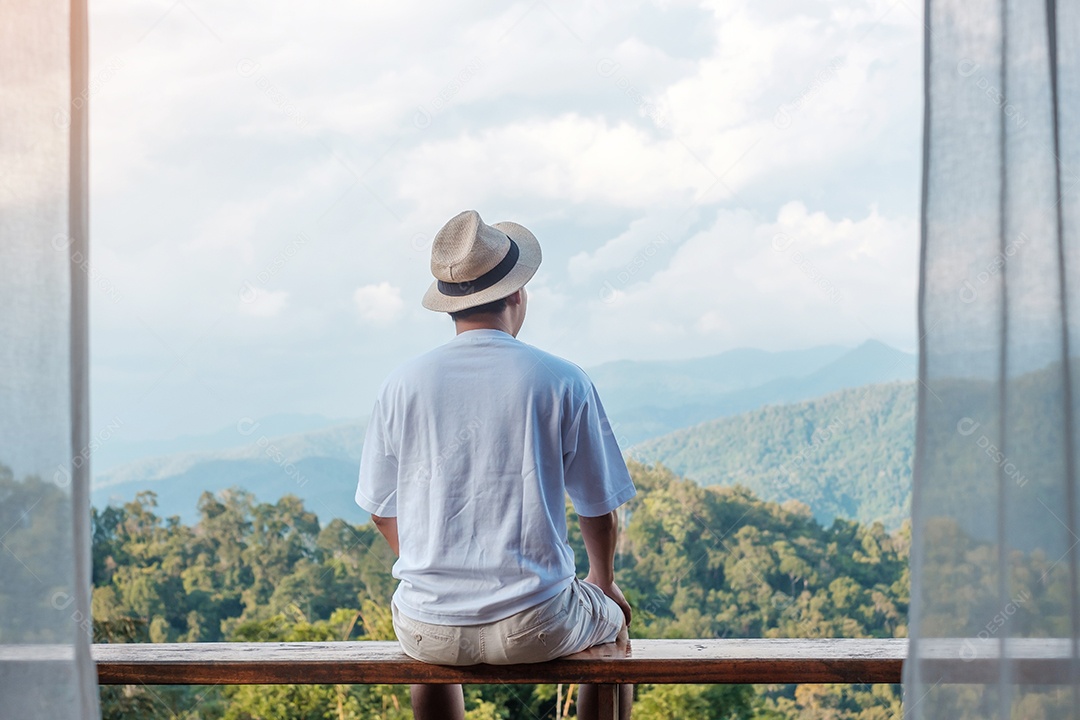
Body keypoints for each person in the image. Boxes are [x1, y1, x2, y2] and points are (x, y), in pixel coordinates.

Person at [355, 210, 636, 719]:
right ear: (516, 294)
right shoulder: (561, 379)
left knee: (429, 659)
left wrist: (430, 570)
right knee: (612, 623)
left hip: (427, 624)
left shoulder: (401, 384)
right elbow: (598, 506)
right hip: (538, 621)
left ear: (450, 306)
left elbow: (380, 510)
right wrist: (603, 580)